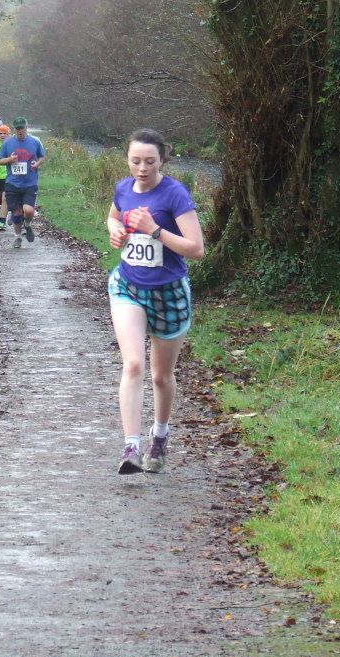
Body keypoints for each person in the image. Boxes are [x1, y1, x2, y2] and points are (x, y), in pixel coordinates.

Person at [106, 129, 204, 474]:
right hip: (128, 286)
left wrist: (154, 230)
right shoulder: (122, 188)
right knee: (132, 364)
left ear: (162, 159)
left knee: (161, 376)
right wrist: (114, 230)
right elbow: (115, 215)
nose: (142, 168)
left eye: (150, 161)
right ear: (127, 159)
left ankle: (159, 437)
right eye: (135, 161)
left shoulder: (175, 194)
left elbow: (197, 249)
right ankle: (130, 446)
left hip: (169, 293)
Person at [0, 116, 46, 249]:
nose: (20, 131)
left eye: (22, 128)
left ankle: (28, 225)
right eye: (17, 129)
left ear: (26, 128)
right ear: (14, 129)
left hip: (30, 182)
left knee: (28, 211)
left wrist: (37, 163)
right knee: (17, 213)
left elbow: (42, 156)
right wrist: (10, 160)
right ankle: (18, 237)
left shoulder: (35, 141)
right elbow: (0, 161)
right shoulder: (7, 143)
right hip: (12, 183)